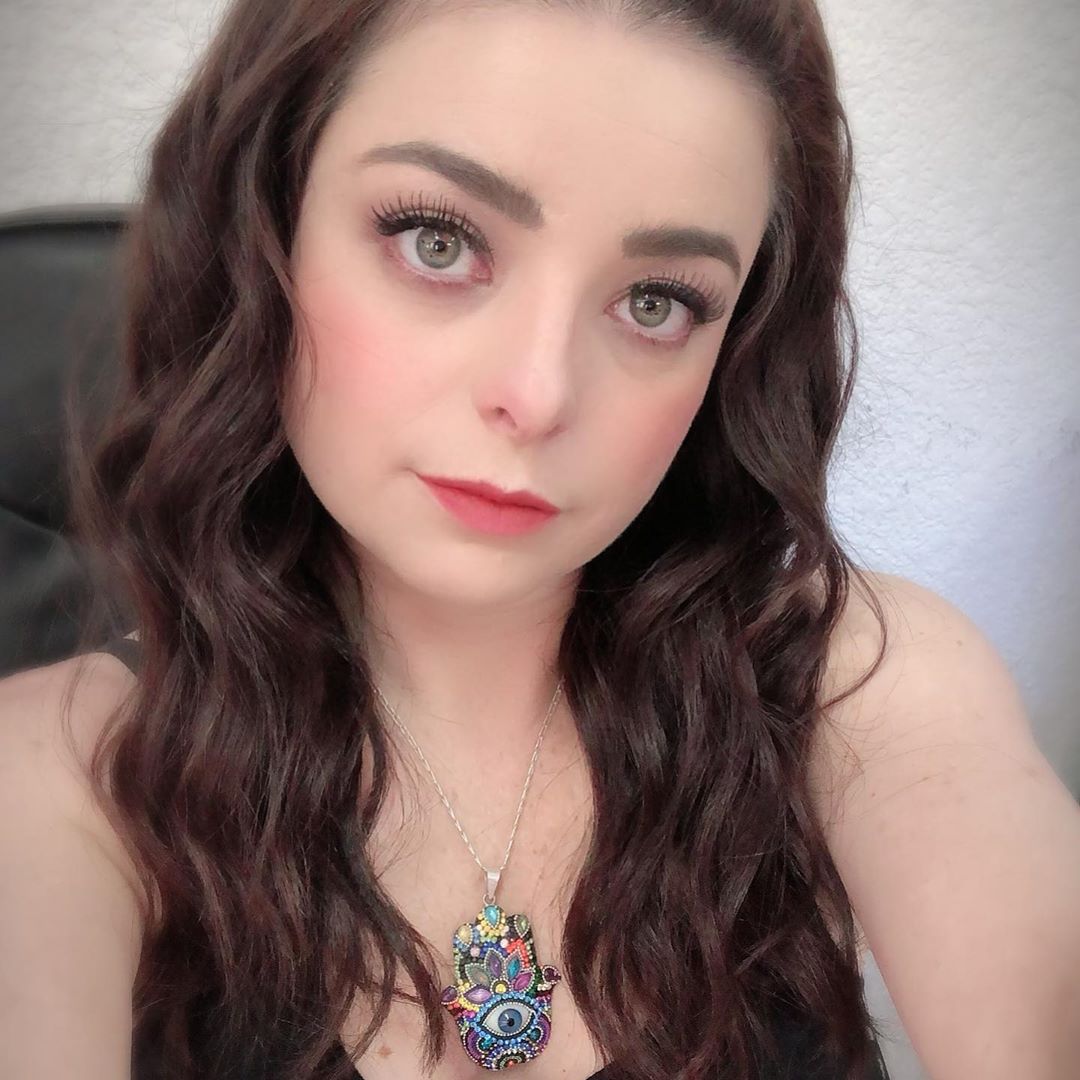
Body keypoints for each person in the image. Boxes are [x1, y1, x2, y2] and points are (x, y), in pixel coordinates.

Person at [2, 1, 1078, 1078]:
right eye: (438, 241)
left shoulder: (855, 688)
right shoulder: (60, 779)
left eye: (655, 302)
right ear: (266, 227)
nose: (540, 394)